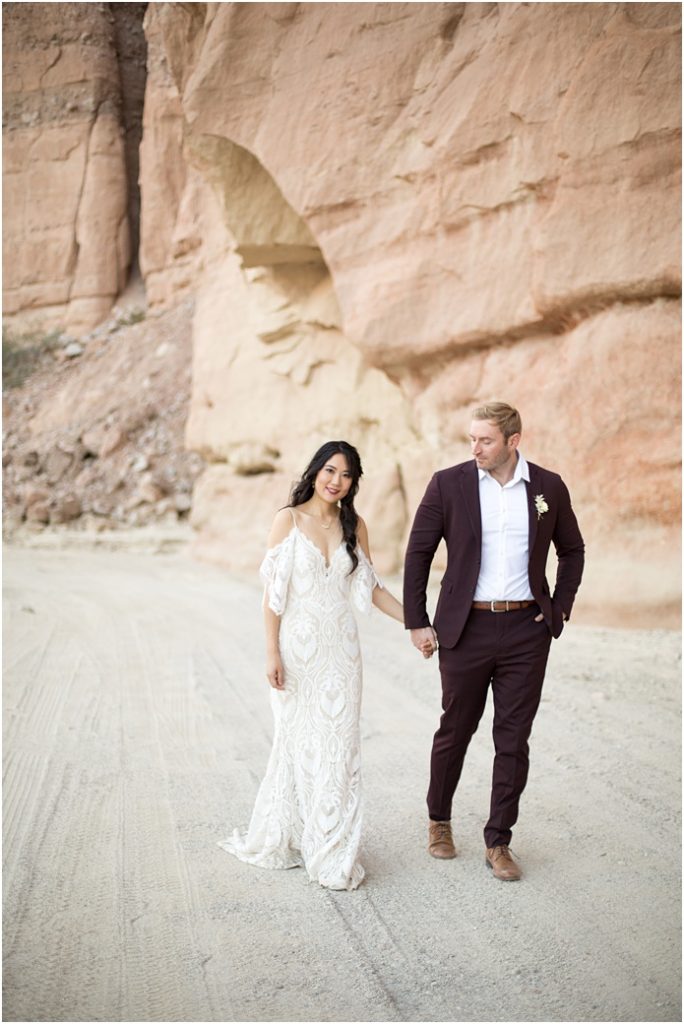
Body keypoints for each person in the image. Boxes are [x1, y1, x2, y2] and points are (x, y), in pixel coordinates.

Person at [219, 440, 428, 891]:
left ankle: (333, 851)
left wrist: (416, 622)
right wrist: (271, 652)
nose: (336, 481)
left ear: (354, 482)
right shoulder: (288, 520)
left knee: (338, 749)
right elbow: (272, 596)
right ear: (315, 471)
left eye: (346, 475)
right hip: (297, 653)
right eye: (330, 470)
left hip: (342, 655)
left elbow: (370, 588)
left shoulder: (355, 526)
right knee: (298, 745)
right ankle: (298, 834)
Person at [403, 403, 584, 881]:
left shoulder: (548, 487)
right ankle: (439, 821)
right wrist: (417, 621)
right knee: (455, 730)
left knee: (513, 739)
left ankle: (499, 840)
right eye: (471, 439)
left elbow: (572, 549)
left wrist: (558, 608)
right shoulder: (449, 483)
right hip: (466, 628)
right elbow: (419, 551)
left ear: (513, 440)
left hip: (527, 630)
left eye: (484, 440)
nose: (475, 449)